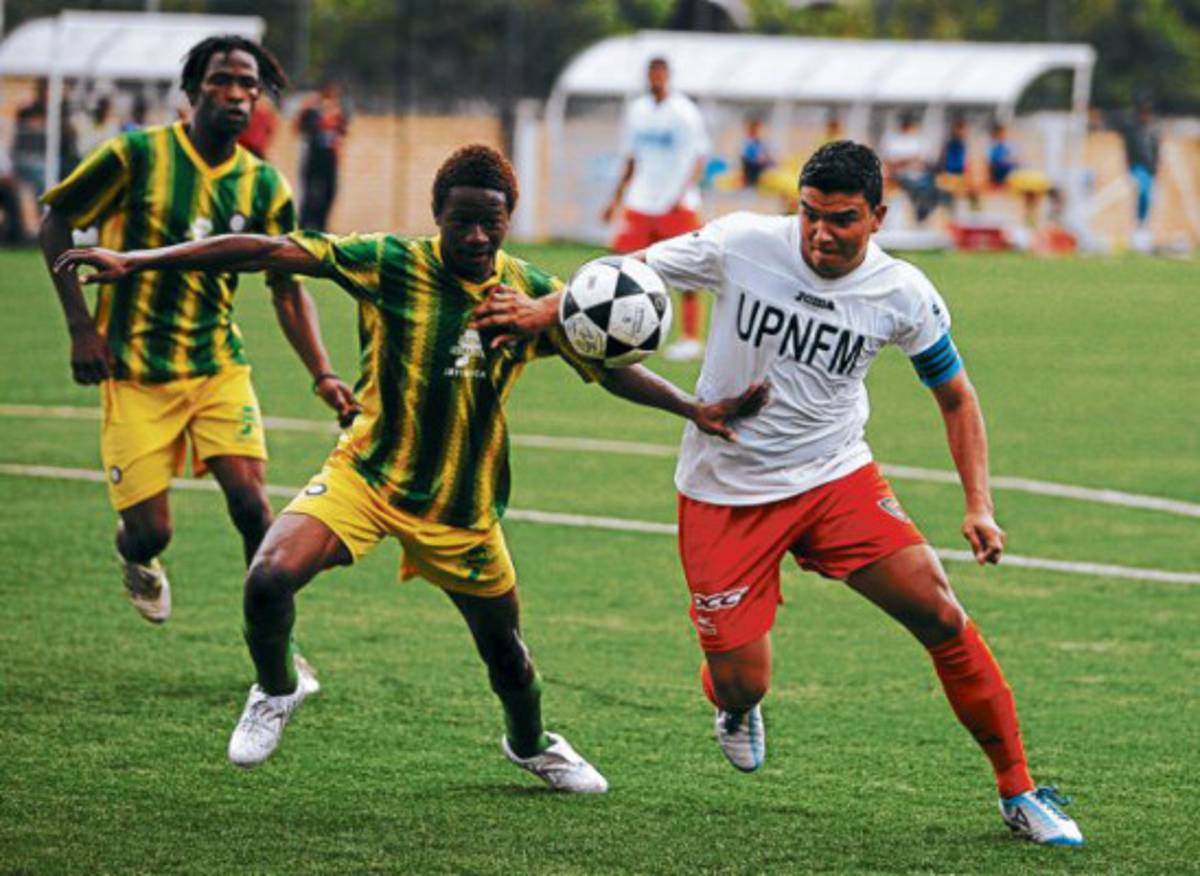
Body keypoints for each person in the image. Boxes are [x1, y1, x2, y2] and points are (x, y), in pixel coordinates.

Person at [55, 144, 767, 791]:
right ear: (438, 218)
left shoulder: (532, 296)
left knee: (510, 662)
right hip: (368, 476)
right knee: (268, 577)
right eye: (462, 222)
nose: (477, 237)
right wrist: (140, 262)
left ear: (508, 220)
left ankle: (530, 744)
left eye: (491, 223)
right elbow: (271, 248)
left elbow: (608, 368)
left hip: (463, 507)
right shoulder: (390, 261)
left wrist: (692, 409)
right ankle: (277, 687)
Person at [481, 141, 1085, 846]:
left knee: (942, 615)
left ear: (879, 217)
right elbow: (628, 275)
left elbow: (956, 396)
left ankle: (1019, 790)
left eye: (844, 220)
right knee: (744, 681)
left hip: (835, 477)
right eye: (811, 215)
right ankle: (733, 705)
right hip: (724, 488)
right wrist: (544, 310)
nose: (822, 234)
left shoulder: (904, 294)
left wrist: (978, 503)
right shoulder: (743, 242)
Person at [39, 36, 356, 626]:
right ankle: (135, 554)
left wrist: (325, 375)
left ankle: (274, 651)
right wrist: (81, 328)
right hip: (132, 370)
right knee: (151, 531)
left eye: (249, 86)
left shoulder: (266, 188)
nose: (236, 95)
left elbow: (286, 290)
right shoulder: (134, 157)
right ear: (192, 90)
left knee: (253, 506)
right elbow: (57, 219)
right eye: (222, 81)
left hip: (216, 367)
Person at [602, 57, 710, 362]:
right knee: (621, 266)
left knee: (689, 270)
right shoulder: (637, 111)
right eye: (652, 74)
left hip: (676, 202)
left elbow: (699, 157)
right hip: (641, 200)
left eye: (661, 74)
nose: (656, 79)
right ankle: (620, 327)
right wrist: (615, 199)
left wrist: (683, 190)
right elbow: (631, 158)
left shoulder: (684, 112)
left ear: (668, 76)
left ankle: (690, 337)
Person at [297, 82, 348, 231]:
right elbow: (303, 128)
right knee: (311, 194)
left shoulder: (338, 111)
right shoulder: (312, 110)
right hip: (314, 156)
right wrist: (323, 120)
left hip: (330, 157)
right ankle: (305, 225)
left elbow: (343, 131)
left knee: (330, 192)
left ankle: (321, 225)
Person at [879, 112, 937, 223]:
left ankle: (923, 215)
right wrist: (908, 161)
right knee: (915, 186)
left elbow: (926, 162)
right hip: (899, 177)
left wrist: (908, 161)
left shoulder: (920, 139)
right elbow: (888, 163)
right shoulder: (891, 139)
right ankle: (919, 213)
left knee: (932, 188)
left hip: (920, 177)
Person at [1121, 101, 1160, 252]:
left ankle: (1143, 225)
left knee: (1148, 197)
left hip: (1150, 169)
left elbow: (1156, 151)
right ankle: (1139, 223)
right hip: (1138, 167)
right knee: (1142, 193)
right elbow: (1129, 151)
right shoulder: (1133, 131)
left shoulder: (1153, 131)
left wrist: (1155, 168)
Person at [739, 116, 773, 188]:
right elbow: (746, 157)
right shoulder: (748, 142)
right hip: (752, 170)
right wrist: (761, 159)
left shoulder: (759, 142)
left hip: (757, 167)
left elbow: (765, 154)